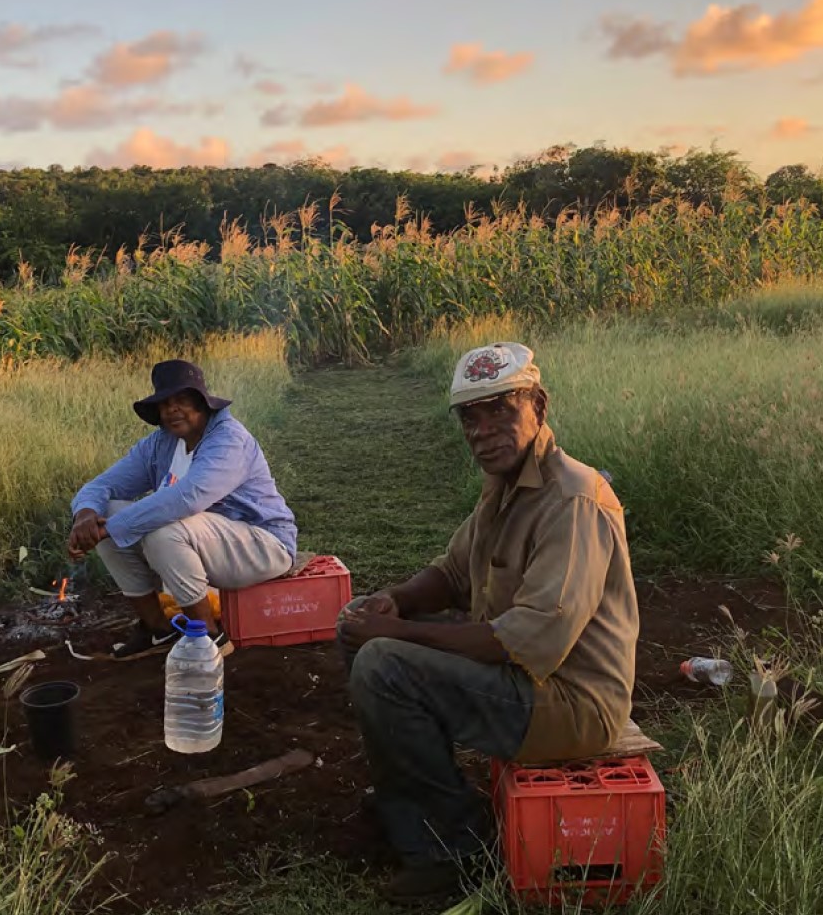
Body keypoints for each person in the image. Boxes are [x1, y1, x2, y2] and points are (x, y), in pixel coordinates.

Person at [337, 342, 639, 901]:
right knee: (359, 630)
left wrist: (399, 635)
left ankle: (453, 851)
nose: (482, 430)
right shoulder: (505, 487)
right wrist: (395, 601)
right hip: (528, 685)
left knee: (384, 664)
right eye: (470, 417)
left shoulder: (572, 499)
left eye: (500, 409)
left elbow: (530, 635)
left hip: (572, 703)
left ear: (539, 408)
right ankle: (414, 798)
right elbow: (453, 574)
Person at [68, 359, 297, 660]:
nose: (173, 410)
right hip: (206, 544)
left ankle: (210, 639)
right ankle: (157, 629)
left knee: (162, 529)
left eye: (183, 401)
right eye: (165, 404)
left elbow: (188, 498)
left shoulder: (228, 439)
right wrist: (85, 514)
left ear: (202, 403)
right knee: (107, 510)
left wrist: (108, 529)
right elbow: (103, 486)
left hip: (263, 545)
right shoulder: (161, 443)